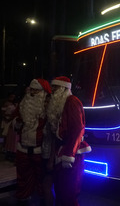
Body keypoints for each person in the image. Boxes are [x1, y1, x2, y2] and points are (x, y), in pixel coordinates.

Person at [49, 76, 91, 206]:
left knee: (69, 190)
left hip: (71, 153)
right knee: (61, 189)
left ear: (63, 88)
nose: (53, 90)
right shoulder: (62, 103)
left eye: (55, 87)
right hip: (62, 151)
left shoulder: (72, 101)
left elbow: (78, 129)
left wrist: (69, 154)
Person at [14, 79, 51, 203]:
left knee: (41, 177)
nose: (33, 93)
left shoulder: (48, 107)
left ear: (43, 92)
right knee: (22, 176)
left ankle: (42, 199)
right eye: (31, 89)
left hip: (39, 150)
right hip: (23, 148)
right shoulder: (23, 104)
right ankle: (23, 197)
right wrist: (17, 123)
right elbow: (16, 119)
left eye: (36, 90)